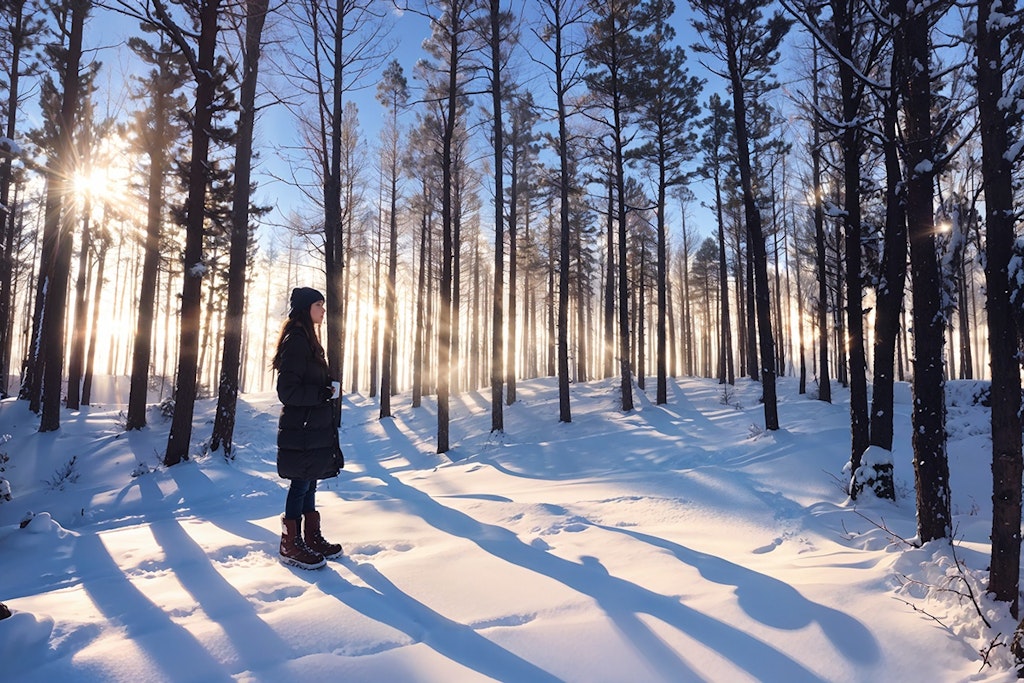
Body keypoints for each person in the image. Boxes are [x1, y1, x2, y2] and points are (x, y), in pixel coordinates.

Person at [272, 287, 345, 569]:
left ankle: (310, 538)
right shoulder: (297, 341)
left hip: (311, 426)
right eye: (319, 305)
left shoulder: (308, 340)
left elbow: (309, 382)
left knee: (310, 479)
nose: (323, 310)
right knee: (301, 483)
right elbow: (287, 391)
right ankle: (290, 544)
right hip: (301, 427)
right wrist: (324, 394)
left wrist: (326, 388)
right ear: (305, 308)